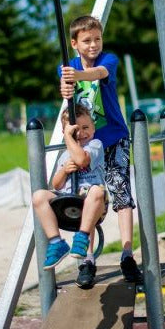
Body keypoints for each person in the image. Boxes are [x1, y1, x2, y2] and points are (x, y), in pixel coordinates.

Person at [59, 15, 143, 284]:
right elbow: (66, 91)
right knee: (86, 197)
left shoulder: (109, 60)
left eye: (97, 39)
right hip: (86, 143)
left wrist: (78, 76)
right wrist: (65, 85)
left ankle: (127, 255)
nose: (93, 45)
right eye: (87, 41)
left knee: (121, 193)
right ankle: (87, 260)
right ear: (74, 43)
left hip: (114, 138)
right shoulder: (67, 67)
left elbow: (99, 74)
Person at [32, 104, 109, 289]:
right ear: (66, 130)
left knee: (96, 191)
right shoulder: (65, 154)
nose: (82, 133)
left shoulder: (95, 145)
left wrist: (68, 136)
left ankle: (83, 239)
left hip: (93, 203)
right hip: (67, 203)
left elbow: (82, 159)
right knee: (38, 196)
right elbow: (57, 185)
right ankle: (56, 242)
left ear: (94, 127)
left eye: (86, 128)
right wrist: (64, 171)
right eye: (76, 130)